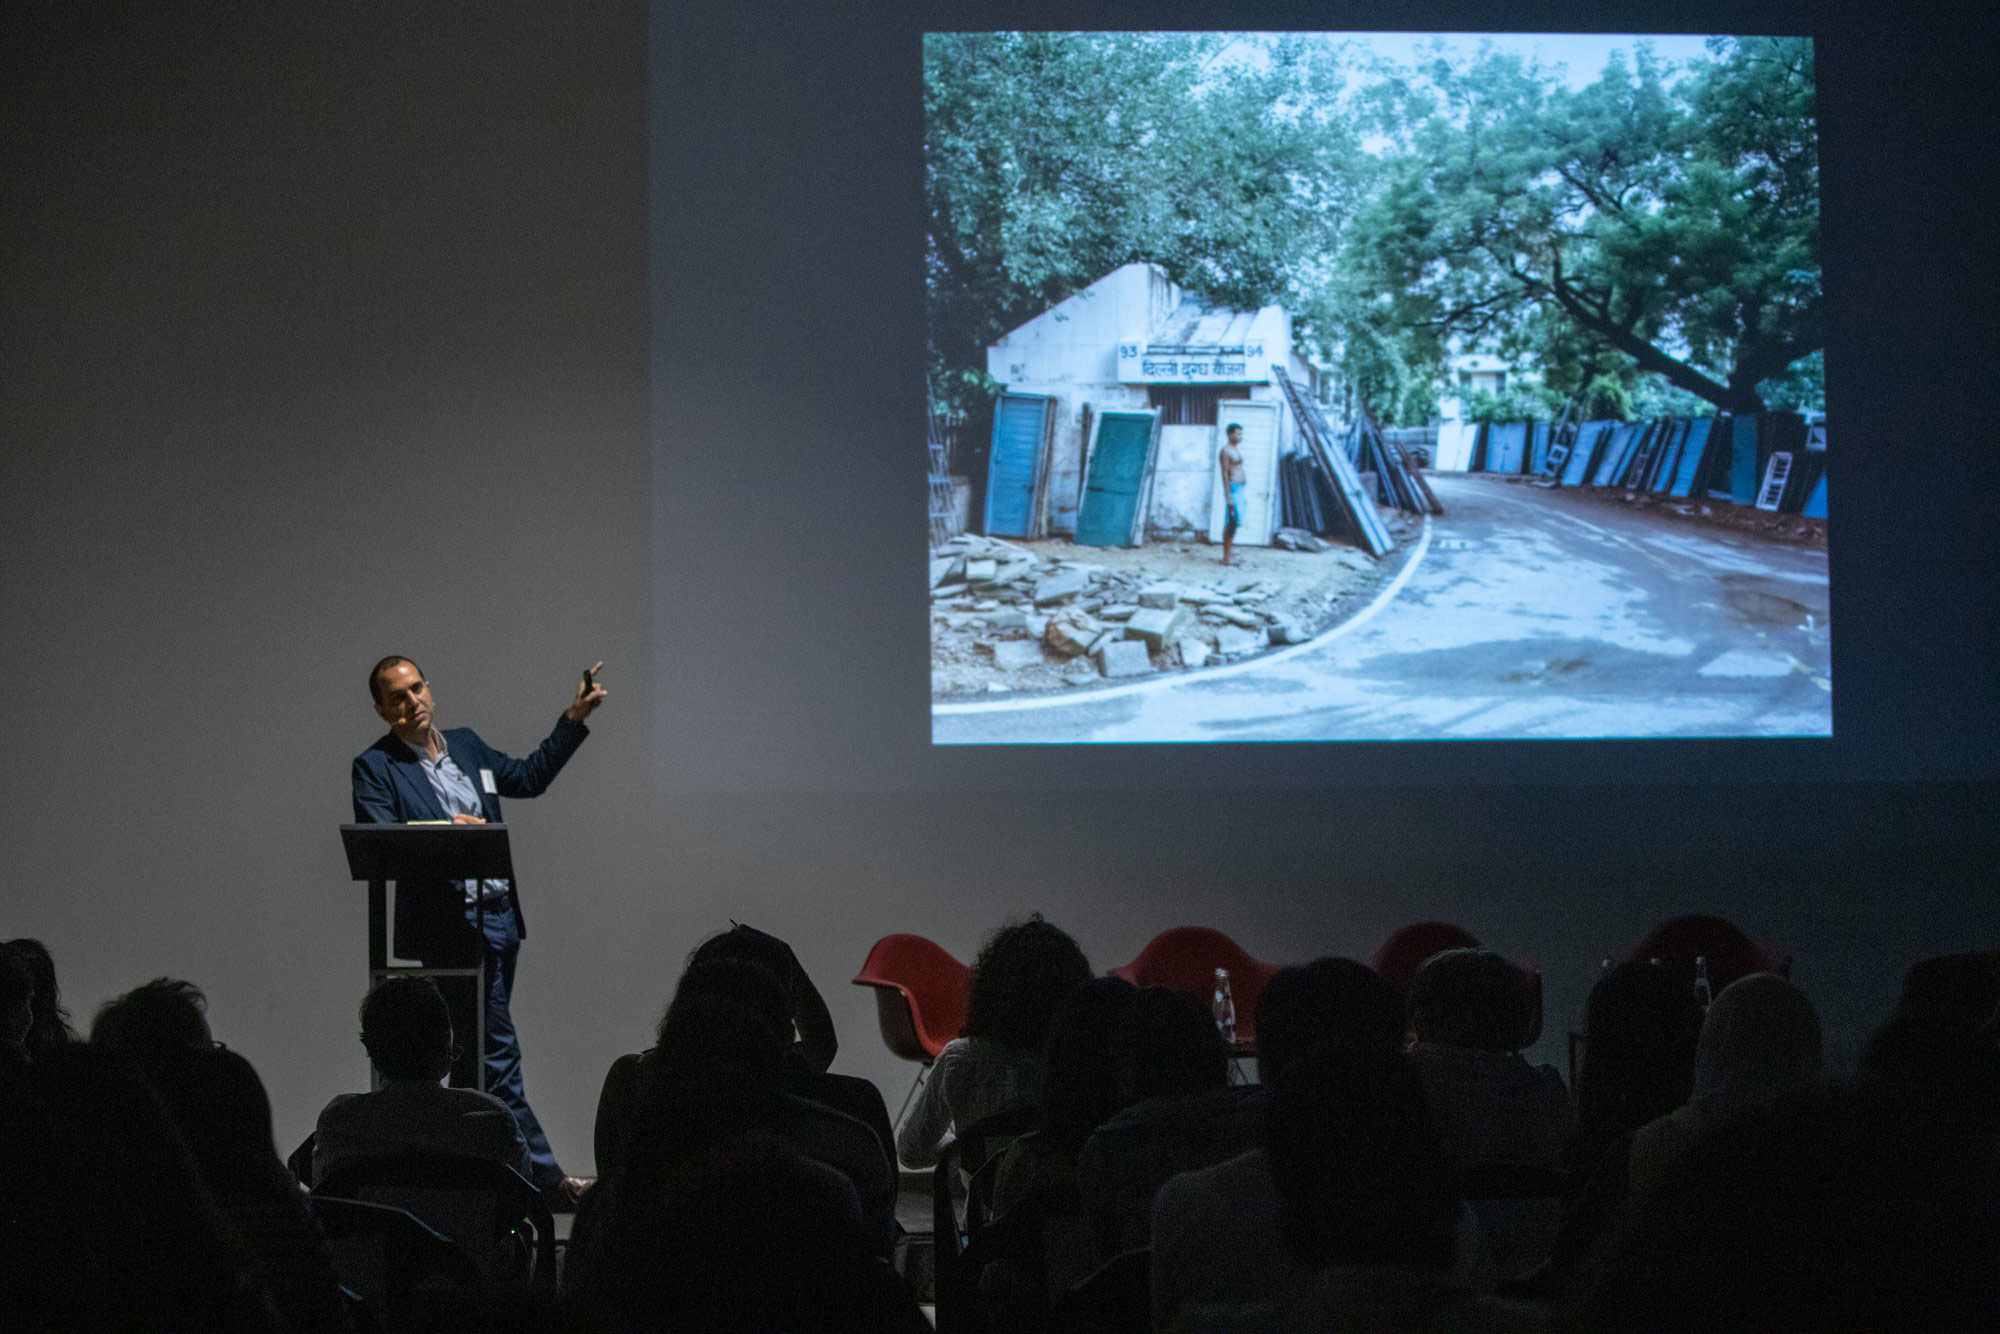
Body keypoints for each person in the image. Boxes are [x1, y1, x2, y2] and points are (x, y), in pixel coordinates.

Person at [350, 653, 604, 1195]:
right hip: (446, 926)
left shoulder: (466, 745)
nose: (410, 701)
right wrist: (447, 828)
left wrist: (573, 718)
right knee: (495, 1053)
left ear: (430, 691)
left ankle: (472, 1175)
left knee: (470, 1059)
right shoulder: (376, 766)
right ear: (381, 709)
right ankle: (547, 1179)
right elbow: (382, 836)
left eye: (416, 688)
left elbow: (529, 778)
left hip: (498, 920)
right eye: (396, 696)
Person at [895, 914, 1092, 1170]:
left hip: (988, 1209)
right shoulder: (1086, 1060)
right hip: (1069, 1207)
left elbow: (912, 1152)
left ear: (989, 988)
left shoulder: (960, 1060)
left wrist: (963, 1147)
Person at [313, 975, 531, 1185]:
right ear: (447, 1047)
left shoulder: (340, 1122)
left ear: (372, 1050)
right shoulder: (492, 1119)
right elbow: (521, 1195)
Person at [1218, 423, 1247, 566]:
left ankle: (1228, 555)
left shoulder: (1235, 450)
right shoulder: (1225, 451)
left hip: (1239, 489)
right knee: (1231, 522)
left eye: (1241, 434)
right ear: (1230, 434)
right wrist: (1228, 497)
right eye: (1237, 434)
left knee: (1235, 523)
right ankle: (1226, 557)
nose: (1240, 437)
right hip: (1233, 489)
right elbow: (1224, 474)